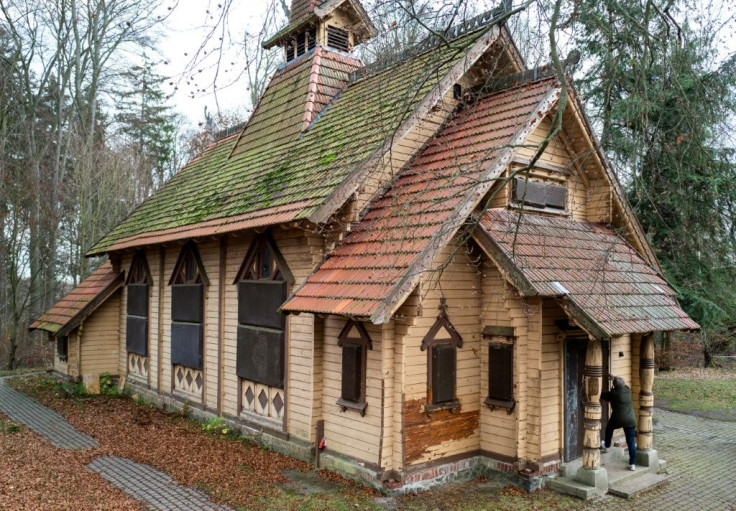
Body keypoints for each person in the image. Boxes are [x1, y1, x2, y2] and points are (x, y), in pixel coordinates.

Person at [600, 375, 637, 471]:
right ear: (623, 384)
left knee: (609, 428)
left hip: (618, 419)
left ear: (615, 386)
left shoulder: (614, 393)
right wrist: (614, 379)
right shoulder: (627, 390)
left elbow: (604, 396)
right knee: (631, 442)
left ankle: (607, 446)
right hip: (630, 419)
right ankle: (632, 464)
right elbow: (622, 384)